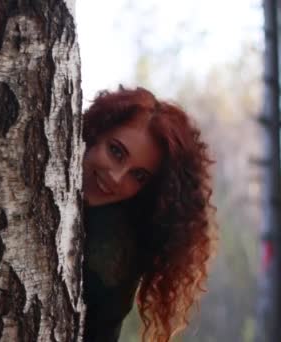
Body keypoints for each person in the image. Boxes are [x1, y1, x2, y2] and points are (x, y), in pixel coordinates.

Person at [80, 86, 217, 342]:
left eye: (138, 175)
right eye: (116, 151)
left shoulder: (115, 248)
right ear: (95, 131)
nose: (116, 178)